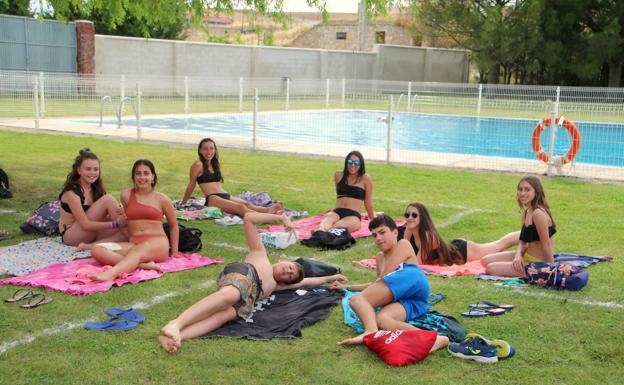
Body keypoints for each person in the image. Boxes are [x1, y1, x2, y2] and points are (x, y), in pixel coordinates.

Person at [158, 211, 347, 353]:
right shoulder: (259, 252)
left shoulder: (276, 286)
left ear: (285, 282)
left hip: (249, 299)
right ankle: (176, 323)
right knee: (230, 295)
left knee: (223, 316)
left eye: (290, 276)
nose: (288, 272)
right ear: (282, 260)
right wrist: (281, 218)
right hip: (244, 275)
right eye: (290, 267)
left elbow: (307, 281)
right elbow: (249, 218)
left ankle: (176, 337)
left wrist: (330, 278)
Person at [331, 214, 449, 352]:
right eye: (375, 235)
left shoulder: (403, 244)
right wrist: (346, 287)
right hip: (408, 299)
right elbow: (377, 283)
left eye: (382, 232)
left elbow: (384, 277)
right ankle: (435, 339)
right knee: (382, 319)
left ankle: (370, 332)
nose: (378, 238)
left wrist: (366, 295)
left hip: (411, 280)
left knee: (357, 300)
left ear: (394, 232)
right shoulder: (380, 257)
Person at [89, 159, 180, 281]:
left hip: (157, 243)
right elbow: (129, 220)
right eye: (138, 173)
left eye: (146, 173)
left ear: (153, 177)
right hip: (134, 244)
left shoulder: (162, 199)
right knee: (97, 249)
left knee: (137, 251)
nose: (142, 177)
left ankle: (111, 273)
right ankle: (143, 265)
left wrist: (175, 252)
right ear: (133, 177)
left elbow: (173, 226)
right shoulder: (125, 195)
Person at [181, 138, 283, 216]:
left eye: (211, 148)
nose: (209, 152)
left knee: (247, 205)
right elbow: (191, 185)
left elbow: (217, 184)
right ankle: (267, 217)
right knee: (240, 208)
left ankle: (268, 211)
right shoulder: (198, 165)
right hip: (213, 198)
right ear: (200, 150)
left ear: (215, 150)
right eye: (205, 149)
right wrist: (183, 204)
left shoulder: (216, 164)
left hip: (225, 195)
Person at [481, 176, 556, 277]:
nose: (522, 193)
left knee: (491, 268)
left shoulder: (538, 213)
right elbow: (523, 241)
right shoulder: (526, 212)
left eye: (527, 189)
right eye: (520, 189)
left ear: (536, 192)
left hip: (538, 263)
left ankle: (530, 272)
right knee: (486, 260)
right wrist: (518, 255)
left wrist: (550, 268)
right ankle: (519, 265)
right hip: (526, 256)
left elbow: (546, 243)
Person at [402, 202, 520, 266]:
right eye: (407, 215)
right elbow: (403, 253)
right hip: (454, 248)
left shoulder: (429, 236)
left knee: (500, 244)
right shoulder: (409, 231)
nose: (410, 218)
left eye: (414, 215)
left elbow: (416, 263)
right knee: (499, 247)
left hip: (463, 252)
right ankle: (521, 251)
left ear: (422, 218)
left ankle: (528, 234)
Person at [58, 148, 127, 250]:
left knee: (124, 233)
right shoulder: (71, 193)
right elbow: (85, 225)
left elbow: (106, 213)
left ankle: (89, 246)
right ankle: (133, 235)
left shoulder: (95, 188)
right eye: (88, 169)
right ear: (79, 170)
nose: (92, 173)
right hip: (72, 235)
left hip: (89, 234)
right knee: (108, 200)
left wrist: (123, 212)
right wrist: (116, 223)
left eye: (95, 169)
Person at [318, 150, 375, 233]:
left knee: (337, 227)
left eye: (356, 163)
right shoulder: (338, 175)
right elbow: (340, 195)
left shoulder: (365, 179)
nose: (352, 165)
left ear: (361, 164)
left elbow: (368, 203)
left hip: (353, 215)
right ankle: (319, 232)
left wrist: (373, 221)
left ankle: (324, 234)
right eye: (350, 162)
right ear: (346, 162)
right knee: (326, 222)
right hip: (337, 211)